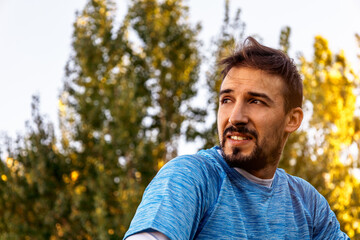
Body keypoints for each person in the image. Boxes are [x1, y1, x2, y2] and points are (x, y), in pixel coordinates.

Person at [123, 37, 349, 240]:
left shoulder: (308, 204)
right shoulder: (191, 177)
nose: (235, 117)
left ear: (292, 119)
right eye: (227, 100)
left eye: (255, 101)